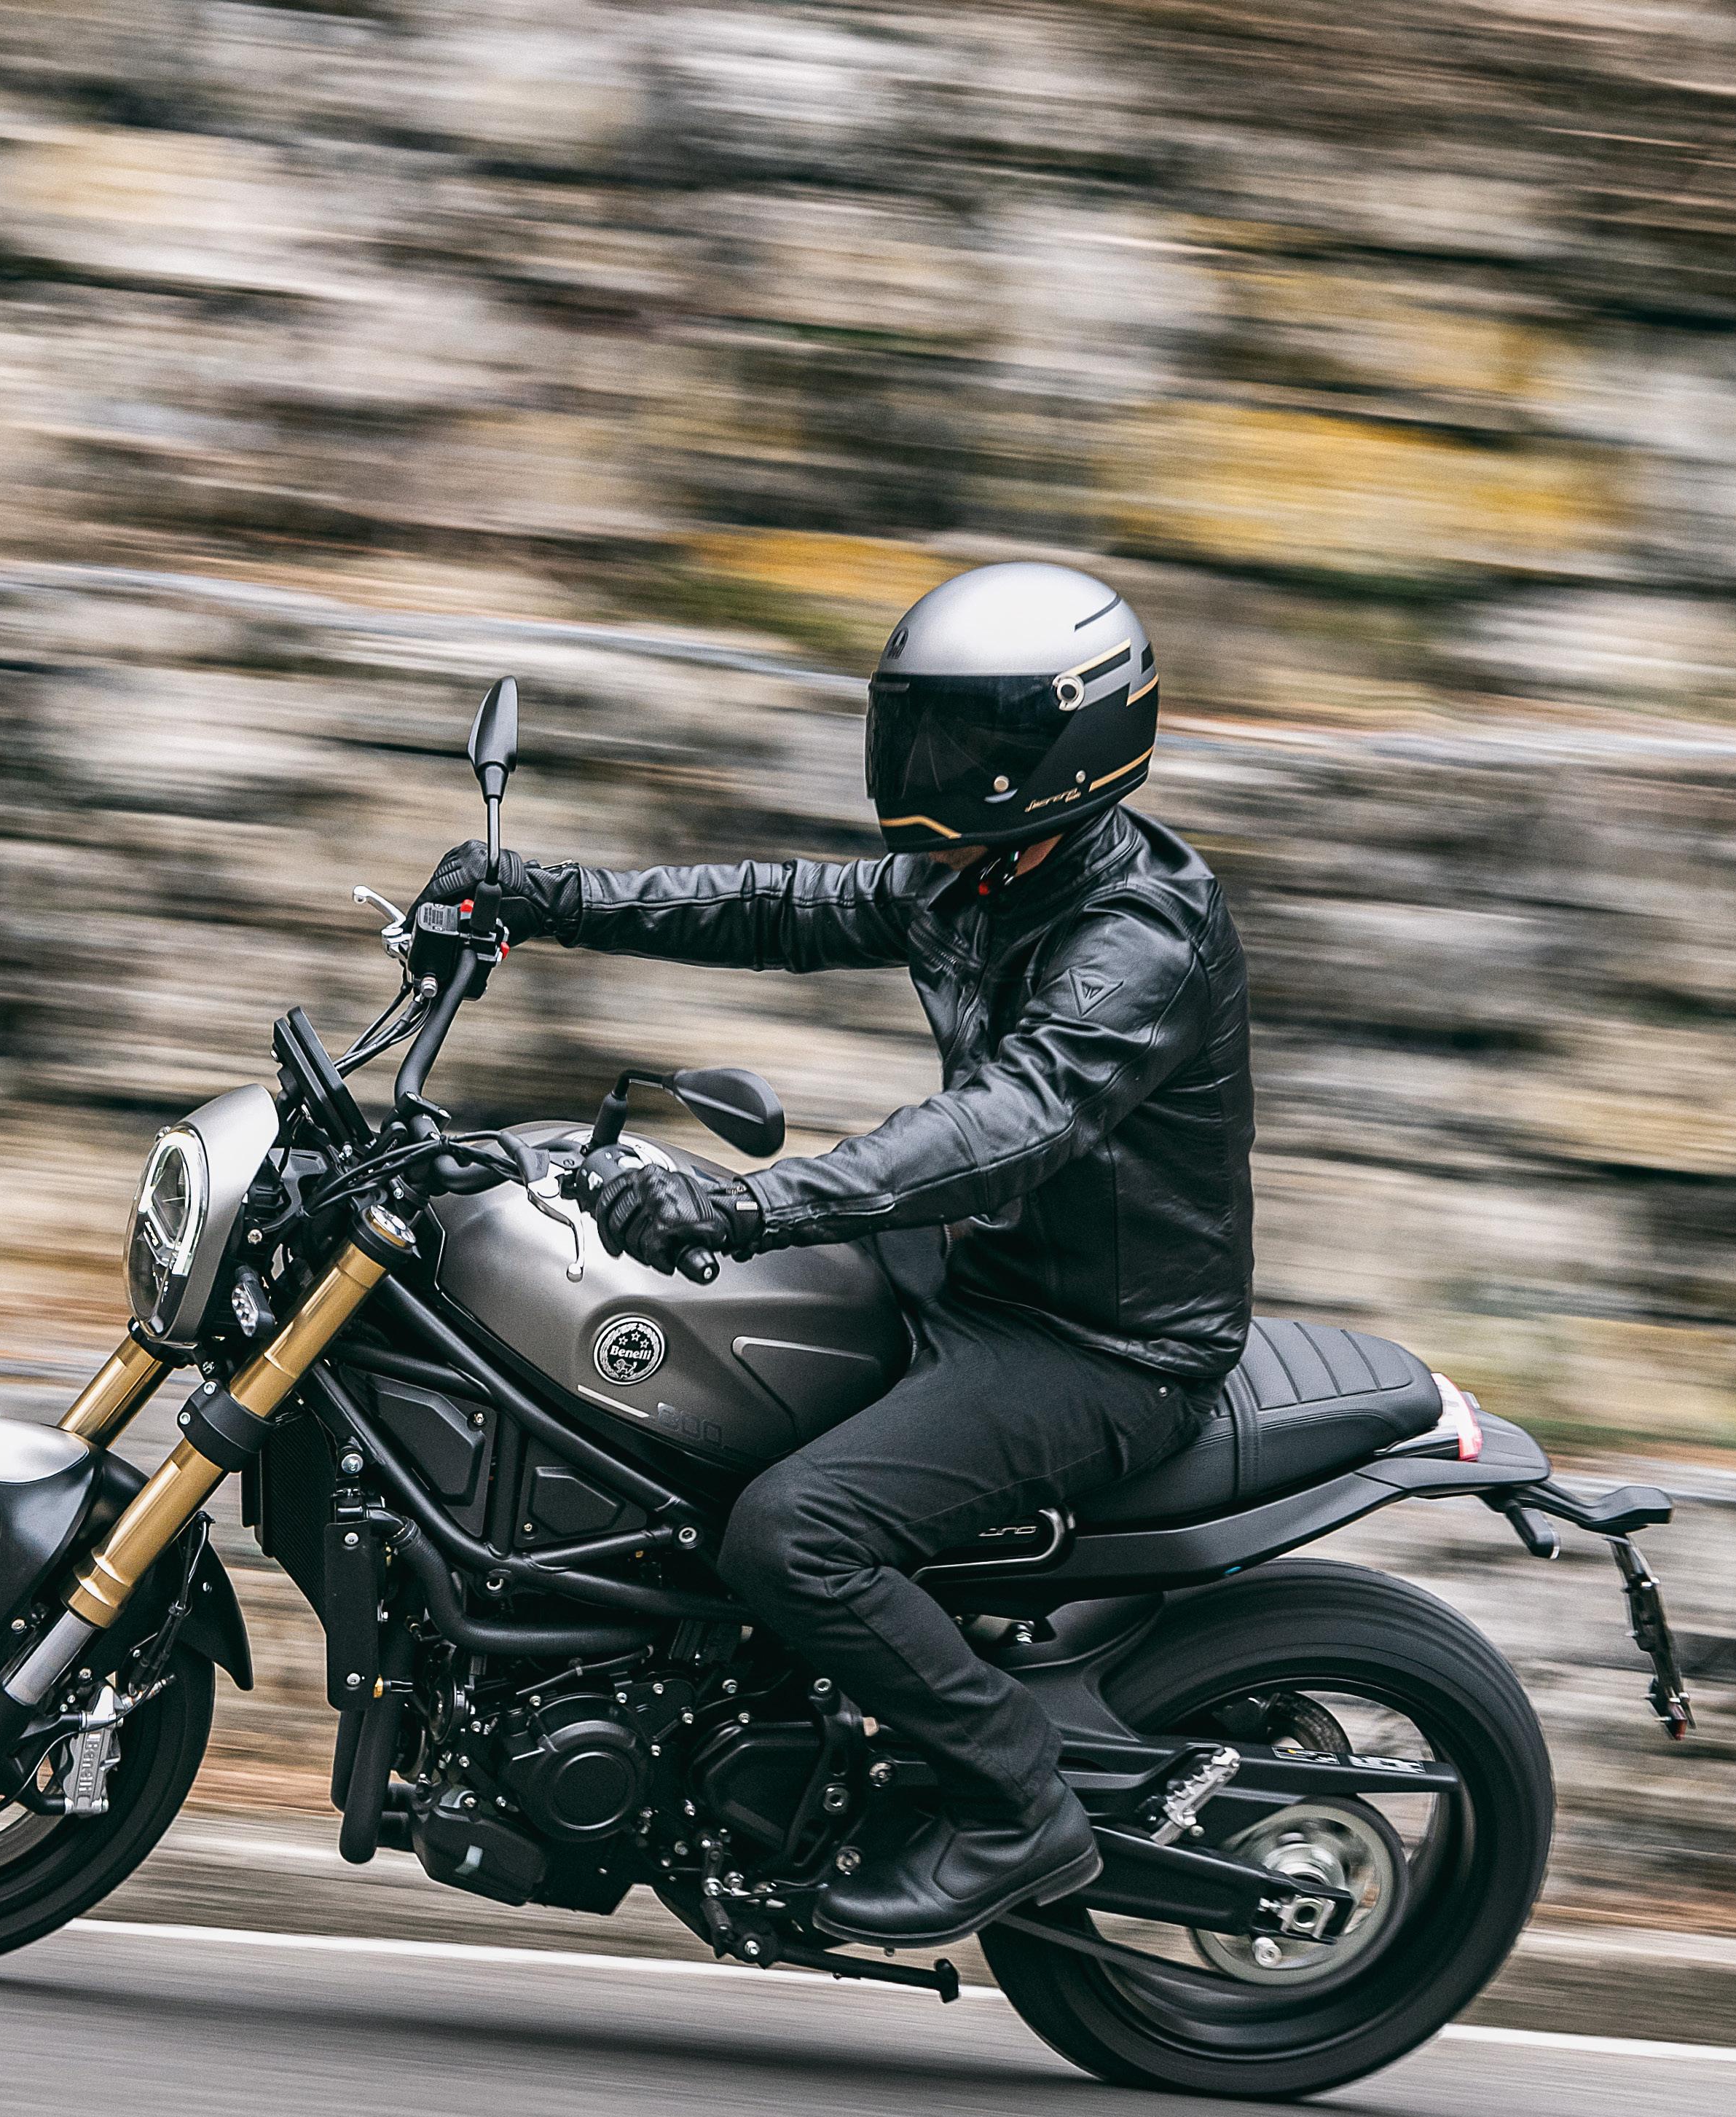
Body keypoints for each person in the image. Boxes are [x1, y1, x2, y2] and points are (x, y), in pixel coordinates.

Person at [411, 562, 1254, 1947]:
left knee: (793, 1533)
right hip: (970, 1273)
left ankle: (1018, 1808)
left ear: (1062, 747)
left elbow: (1007, 1125)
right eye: (914, 727)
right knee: (676, 1414)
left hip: (1098, 1345)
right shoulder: (985, 871)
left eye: (963, 738)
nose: (924, 764)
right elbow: (781, 905)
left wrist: (750, 1207)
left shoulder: (1133, 939)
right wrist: (549, 898)